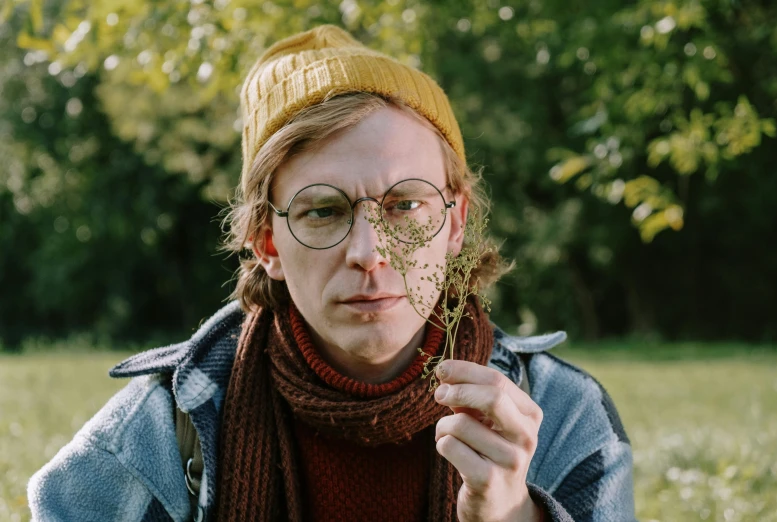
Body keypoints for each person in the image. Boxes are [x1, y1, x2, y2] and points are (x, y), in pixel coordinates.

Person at [27, 25, 635, 522]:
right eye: (323, 210)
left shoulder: (561, 416)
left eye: (405, 205)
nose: (370, 252)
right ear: (266, 240)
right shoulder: (160, 431)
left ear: (454, 224)